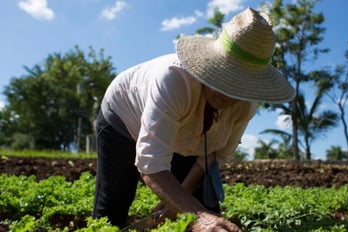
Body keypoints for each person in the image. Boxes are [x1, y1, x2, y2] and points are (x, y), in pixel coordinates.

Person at [92, 7, 295, 232]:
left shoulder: (245, 107)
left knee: (206, 214)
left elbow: (213, 156)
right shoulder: (174, 81)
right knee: (113, 206)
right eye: (223, 77)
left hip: (185, 138)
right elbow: (151, 164)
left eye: (238, 85)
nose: (227, 93)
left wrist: (181, 205)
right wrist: (199, 216)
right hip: (123, 117)